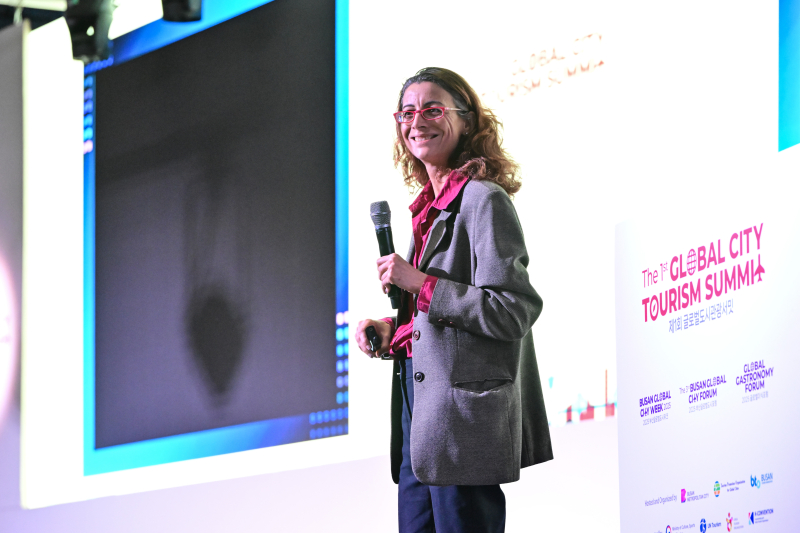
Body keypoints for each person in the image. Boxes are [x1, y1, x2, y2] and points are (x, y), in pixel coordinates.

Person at [355, 67, 553, 533]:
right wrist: (394, 330)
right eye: (407, 112)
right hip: (421, 421)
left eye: (432, 109)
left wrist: (419, 283)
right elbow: (441, 315)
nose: (416, 121)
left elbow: (512, 309)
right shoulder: (429, 209)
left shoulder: (483, 200)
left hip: (462, 423)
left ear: (465, 121)